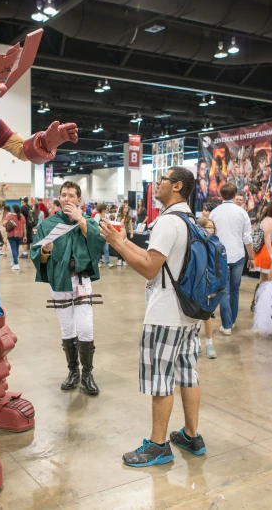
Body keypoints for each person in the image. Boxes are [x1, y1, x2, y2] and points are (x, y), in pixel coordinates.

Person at [99, 167, 206, 468]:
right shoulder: (187, 220)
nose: (156, 184)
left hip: (166, 314)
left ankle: (159, 446)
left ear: (177, 186)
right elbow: (153, 256)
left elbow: (149, 268)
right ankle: (191, 435)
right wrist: (119, 240)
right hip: (188, 314)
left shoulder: (168, 222)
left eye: (162, 180)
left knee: (161, 379)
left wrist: (118, 244)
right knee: (188, 373)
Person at [31, 181, 105, 395]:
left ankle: (87, 374)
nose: (67, 199)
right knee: (67, 329)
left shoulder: (87, 221)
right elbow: (37, 256)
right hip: (60, 281)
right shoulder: (48, 224)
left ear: (79, 200)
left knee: (85, 328)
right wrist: (45, 251)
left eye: (72, 195)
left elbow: (98, 241)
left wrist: (80, 219)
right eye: (64, 195)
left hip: (82, 281)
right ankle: (73, 371)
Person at [209, 182, 254, 334]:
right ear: (235, 195)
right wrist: (252, 257)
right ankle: (232, 321)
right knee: (235, 290)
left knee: (223, 290)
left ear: (221, 195)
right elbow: (247, 238)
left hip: (220, 256)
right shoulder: (242, 213)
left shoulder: (214, 212)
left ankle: (227, 325)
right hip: (238, 255)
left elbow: (210, 235)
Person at [252, 200, 272, 310]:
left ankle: (259, 303)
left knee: (265, 279)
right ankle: (258, 303)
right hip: (267, 251)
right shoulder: (269, 220)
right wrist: (271, 254)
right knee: (266, 279)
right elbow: (267, 237)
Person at [197, 216, 219, 359]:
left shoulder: (216, 244)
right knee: (194, 315)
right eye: (208, 227)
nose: (211, 229)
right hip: (196, 283)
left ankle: (209, 344)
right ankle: (196, 342)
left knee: (207, 315)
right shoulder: (196, 244)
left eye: (213, 227)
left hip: (210, 284)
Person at [5, 204, 26, 270]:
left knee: (13, 249)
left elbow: (4, 224)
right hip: (20, 235)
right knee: (16, 249)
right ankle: (14, 261)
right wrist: (25, 236)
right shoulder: (22, 217)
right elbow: (24, 227)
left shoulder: (9, 216)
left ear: (13, 209)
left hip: (11, 234)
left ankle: (16, 264)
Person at [93, 203, 114, 268]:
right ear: (103, 209)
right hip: (99, 235)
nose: (106, 210)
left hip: (106, 235)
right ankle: (97, 262)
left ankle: (108, 263)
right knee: (99, 250)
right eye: (105, 209)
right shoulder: (97, 216)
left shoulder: (106, 216)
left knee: (106, 250)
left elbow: (109, 223)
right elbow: (95, 225)